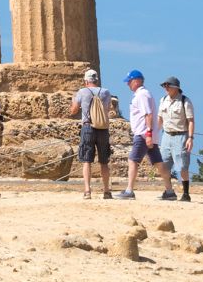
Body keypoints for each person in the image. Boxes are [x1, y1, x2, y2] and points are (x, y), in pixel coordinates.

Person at [118, 69, 172, 200]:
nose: (128, 84)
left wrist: (148, 133)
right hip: (147, 134)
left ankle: (129, 190)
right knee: (159, 163)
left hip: (143, 134)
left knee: (132, 160)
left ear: (137, 81)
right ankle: (170, 192)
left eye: (129, 81)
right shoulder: (142, 94)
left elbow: (148, 114)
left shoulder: (142, 95)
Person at [70, 67, 113, 200]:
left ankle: (87, 191)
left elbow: (73, 110)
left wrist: (73, 102)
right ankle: (106, 191)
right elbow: (109, 108)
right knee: (104, 161)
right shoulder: (106, 92)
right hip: (103, 128)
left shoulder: (82, 92)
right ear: (96, 80)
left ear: (86, 81)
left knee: (86, 160)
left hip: (88, 127)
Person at [157, 77, 195, 204]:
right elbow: (160, 120)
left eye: (168, 86)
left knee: (182, 166)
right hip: (166, 136)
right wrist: (153, 134)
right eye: (164, 86)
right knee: (163, 165)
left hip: (181, 136)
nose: (166, 88)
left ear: (176, 88)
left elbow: (190, 121)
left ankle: (186, 193)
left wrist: (190, 138)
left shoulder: (185, 101)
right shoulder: (163, 100)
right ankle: (169, 192)